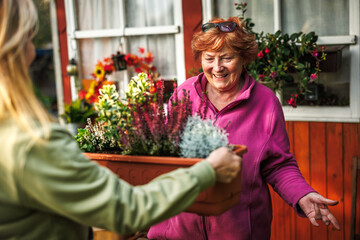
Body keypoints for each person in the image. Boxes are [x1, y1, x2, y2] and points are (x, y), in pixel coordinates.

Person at [0, 1, 243, 239]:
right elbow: (127, 209)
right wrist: (208, 170)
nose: (33, 51)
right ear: (13, 47)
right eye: (30, 39)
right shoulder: (32, 141)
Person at [147, 17, 341, 240]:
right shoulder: (184, 94)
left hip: (237, 232)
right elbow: (162, 153)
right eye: (209, 58)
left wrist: (302, 194)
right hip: (179, 231)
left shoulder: (265, 103)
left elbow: (278, 164)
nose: (217, 68)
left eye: (227, 58)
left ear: (243, 58)